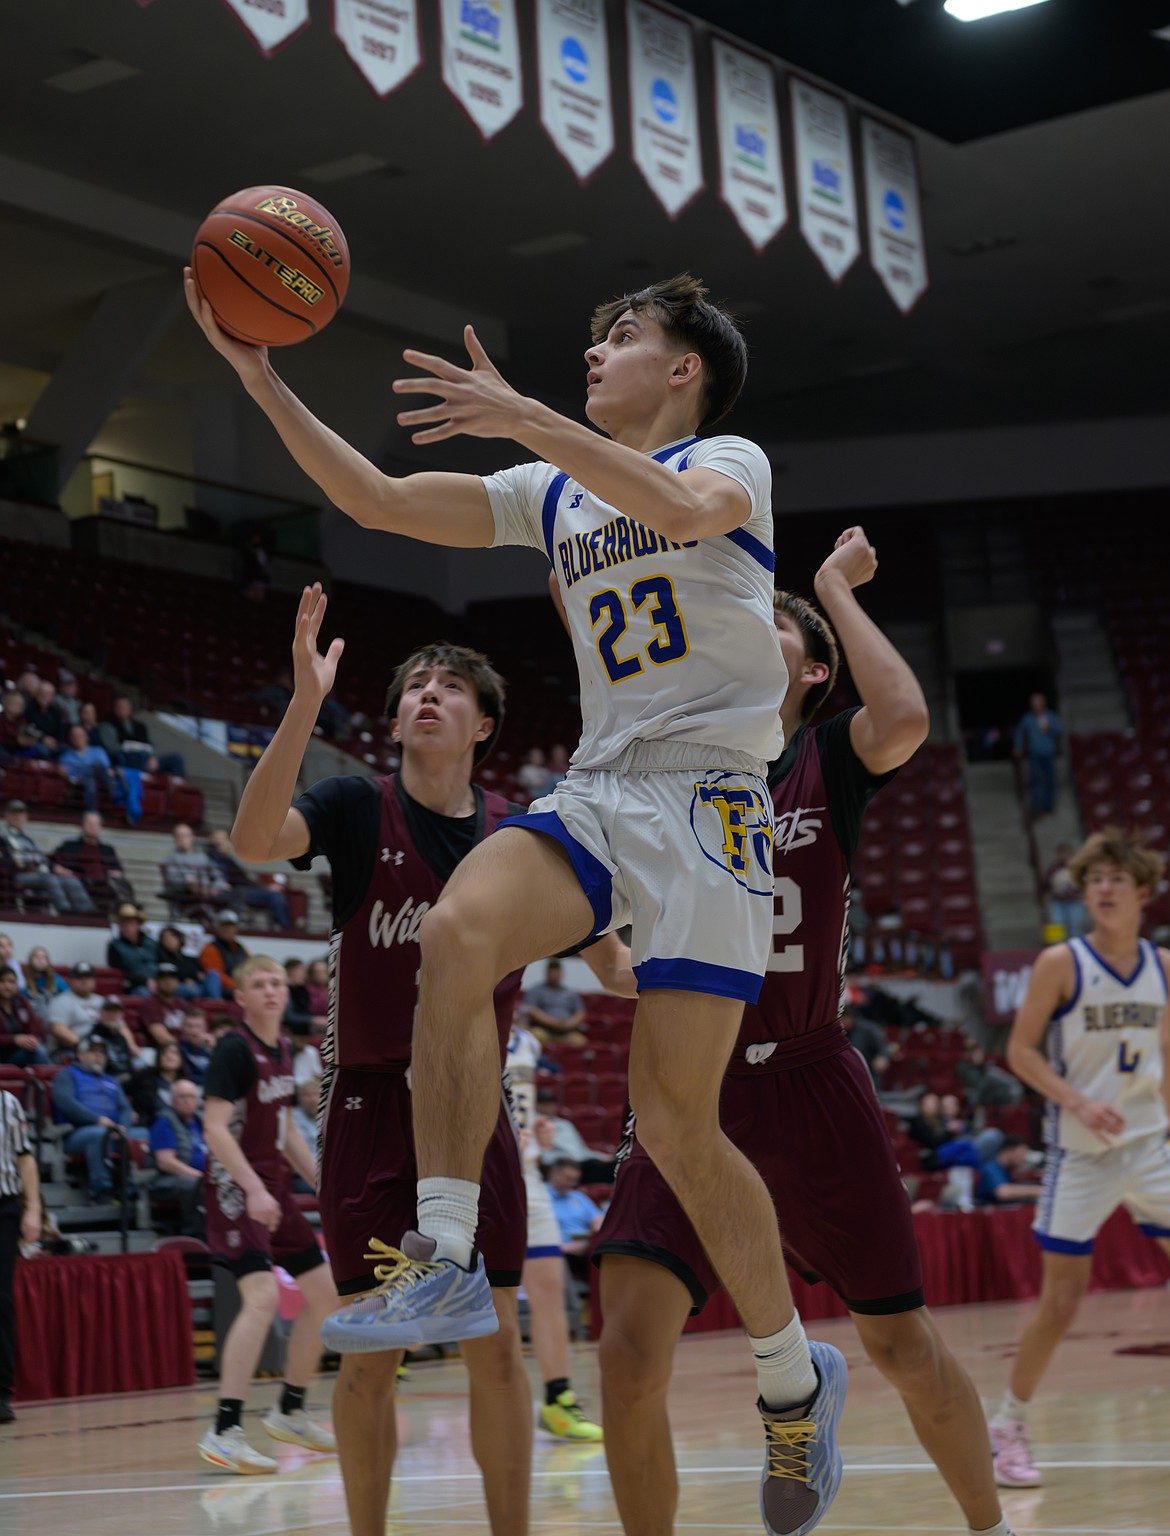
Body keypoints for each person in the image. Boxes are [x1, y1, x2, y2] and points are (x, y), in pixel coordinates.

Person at [191, 263, 852, 1521]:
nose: (595, 355)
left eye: (620, 337)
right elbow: (374, 496)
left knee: (677, 1125)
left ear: (684, 368)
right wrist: (259, 375)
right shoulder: (551, 488)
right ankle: (443, 1253)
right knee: (458, 929)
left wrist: (526, 417)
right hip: (606, 786)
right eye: (594, 340)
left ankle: (789, 1377)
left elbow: (682, 508)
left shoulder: (735, 458)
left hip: (713, 806)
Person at [594, 532, 1017, 1536]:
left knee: (904, 1347)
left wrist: (828, 586)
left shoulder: (826, 757)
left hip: (810, 1078)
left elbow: (906, 715)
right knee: (626, 1355)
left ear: (813, 668)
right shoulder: (671, 773)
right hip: (690, 1086)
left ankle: (990, 1528)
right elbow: (615, 958)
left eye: (777, 624)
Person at [227, 601, 632, 1536]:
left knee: (494, 1350)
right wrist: (303, 705)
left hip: (473, 1114)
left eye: (449, 687)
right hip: (370, 1107)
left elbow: (610, 963)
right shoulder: (353, 804)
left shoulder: (522, 833)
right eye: (415, 685)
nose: (427, 695)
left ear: (483, 723)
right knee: (373, 1358)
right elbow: (253, 842)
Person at [987, 827, 1170, 1490]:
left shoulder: (1162, 967)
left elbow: (1165, 1056)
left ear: (1143, 891)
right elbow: (1021, 1053)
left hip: (1152, 1145)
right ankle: (1006, 1427)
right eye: (1094, 880)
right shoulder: (1061, 964)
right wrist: (1080, 1102)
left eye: (1116, 879)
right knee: (1061, 1303)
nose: (1103, 889)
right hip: (1083, 1154)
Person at [198, 955, 339, 1473]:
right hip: (235, 1187)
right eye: (258, 985)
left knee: (324, 1294)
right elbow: (214, 1129)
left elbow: (285, 1130)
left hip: (272, 1185)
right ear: (240, 997)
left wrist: (321, 1182)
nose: (271, 991)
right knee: (260, 1298)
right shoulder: (233, 1049)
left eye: (277, 982)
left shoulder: (283, 1048)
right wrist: (254, 1188)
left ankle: (291, 1410)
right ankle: (224, 1429)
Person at [507, 1021, 603, 1441]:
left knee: (547, 1290)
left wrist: (537, 1136)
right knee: (493, 1301)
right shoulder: (450, 1019)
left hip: (527, 1177)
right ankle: (502, 1402)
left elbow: (519, 1111)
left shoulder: (526, 1040)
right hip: (473, 1179)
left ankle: (558, 1399)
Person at [0, 1086, 42, 1423]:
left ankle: (1, 1393)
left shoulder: (7, 1102)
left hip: (4, 1207)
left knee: (1, 1300)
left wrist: (34, 1209)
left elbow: (25, 1159)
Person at [50, 1035, 133, 1203]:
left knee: (144, 1135)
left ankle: (133, 1189)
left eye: (102, 1053)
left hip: (114, 1131)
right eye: (93, 1051)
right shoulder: (67, 1075)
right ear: (80, 1054)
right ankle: (102, 1190)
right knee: (99, 1135)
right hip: (76, 1133)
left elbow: (125, 1108)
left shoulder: (111, 1080)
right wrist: (97, 1120)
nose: (99, 1056)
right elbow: (66, 1103)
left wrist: (123, 1126)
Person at [0, 800, 95, 914]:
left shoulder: (28, 839)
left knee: (70, 879)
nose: (17, 817)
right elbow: (13, 861)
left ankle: (89, 912)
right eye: (14, 814)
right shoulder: (3, 838)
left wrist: (54, 867)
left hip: (37, 873)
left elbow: (38, 858)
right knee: (51, 879)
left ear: (25, 817)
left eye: (20, 814)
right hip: (19, 875)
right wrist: (42, 865)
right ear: (7, 816)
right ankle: (66, 912)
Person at [149, 1077, 207, 1238]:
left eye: (192, 1097)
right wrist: (200, 1176)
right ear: (173, 1101)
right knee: (193, 1183)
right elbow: (166, 1162)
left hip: (200, 1178)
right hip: (166, 1180)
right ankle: (196, 1234)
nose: (188, 1101)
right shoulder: (164, 1121)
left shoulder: (200, 1122)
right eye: (183, 1097)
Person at [205, 829, 292, 930]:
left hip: (245, 889)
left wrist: (266, 887)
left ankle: (282, 927)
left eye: (225, 839)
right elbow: (217, 879)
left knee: (277, 895)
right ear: (212, 843)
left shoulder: (230, 860)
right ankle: (286, 929)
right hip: (235, 892)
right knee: (275, 897)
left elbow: (246, 879)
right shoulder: (210, 859)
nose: (223, 843)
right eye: (219, 840)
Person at [51, 811, 135, 914]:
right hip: (79, 882)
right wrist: (59, 869)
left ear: (100, 827)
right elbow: (52, 862)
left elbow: (117, 869)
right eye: (89, 823)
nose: (92, 827)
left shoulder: (108, 850)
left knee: (122, 887)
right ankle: (91, 914)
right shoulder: (69, 846)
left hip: (103, 884)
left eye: (95, 824)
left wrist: (116, 873)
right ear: (82, 825)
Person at [536, 1086, 617, 1184]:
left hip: (581, 1163)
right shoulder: (534, 1124)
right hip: (557, 1164)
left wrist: (601, 1157)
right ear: (537, 1105)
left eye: (551, 1103)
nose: (549, 1107)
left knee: (616, 1166)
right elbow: (541, 1153)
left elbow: (581, 1150)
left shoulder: (565, 1124)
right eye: (544, 1104)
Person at [1013, 692, 1062, 819]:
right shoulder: (1027, 718)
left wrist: (1049, 728)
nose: (1036, 705)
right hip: (1035, 753)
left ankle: (1048, 807)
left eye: (1038, 702)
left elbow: (1060, 730)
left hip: (1049, 753)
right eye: (1034, 703)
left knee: (1050, 780)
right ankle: (1037, 807)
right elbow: (1019, 732)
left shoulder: (1051, 716)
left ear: (1043, 703)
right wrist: (1018, 746)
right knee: (1036, 779)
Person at [163, 823, 228, 912]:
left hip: (208, 894)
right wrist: (188, 882)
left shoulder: (203, 857)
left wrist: (215, 887)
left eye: (186, 835)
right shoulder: (171, 859)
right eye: (180, 836)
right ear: (175, 839)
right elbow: (172, 879)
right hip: (185, 894)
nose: (183, 839)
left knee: (234, 895)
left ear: (192, 837)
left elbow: (218, 877)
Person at [523, 959, 588, 1045]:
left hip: (566, 1031)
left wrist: (568, 1024)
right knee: (533, 1037)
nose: (554, 974)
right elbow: (531, 1010)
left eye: (557, 971)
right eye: (552, 971)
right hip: (544, 1030)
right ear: (546, 972)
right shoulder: (536, 990)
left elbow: (580, 1013)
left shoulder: (570, 993)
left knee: (580, 1042)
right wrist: (553, 1022)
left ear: (561, 973)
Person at [45, 960, 104, 1056]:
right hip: (69, 1050)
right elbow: (58, 1029)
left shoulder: (102, 1001)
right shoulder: (60, 1001)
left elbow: (120, 1026)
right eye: (79, 977)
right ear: (70, 980)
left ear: (94, 980)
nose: (84, 981)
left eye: (88, 977)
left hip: (101, 1050)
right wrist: (86, 1048)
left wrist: (133, 1048)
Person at [58, 724, 118, 812]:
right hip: (81, 782)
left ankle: (113, 797)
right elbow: (71, 777)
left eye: (80, 736)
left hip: (101, 780)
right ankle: (92, 811)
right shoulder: (66, 757)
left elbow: (107, 769)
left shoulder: (98, 751)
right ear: (70, 739)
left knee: (98, 769)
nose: (78, 738)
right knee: (90, 780)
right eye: (74, 736)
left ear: (86, 737)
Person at [107, 903, 161, 995]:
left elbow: (161, 963)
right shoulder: (115, 946)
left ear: (138, 925)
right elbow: (120, 973)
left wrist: (161, 981)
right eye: (123, 924)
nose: (127, 928)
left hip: (160, 982)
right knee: (144, 993)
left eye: (131, 924)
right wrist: (144, 981)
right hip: (135, 986)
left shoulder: (152, 943)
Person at [0, 966, 48, 1066]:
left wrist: (32, 1039)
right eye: (2, 982)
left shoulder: (21, 1002)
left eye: (11, 982)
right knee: (39, 1052)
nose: (7, 986)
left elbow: (35, 1029)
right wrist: (14, 1040)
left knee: (38, 1049)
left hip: (18, 1053)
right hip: (2, 1055)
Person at [129, 1037, 184, 1123]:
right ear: (158, 1058)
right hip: (151, 1124)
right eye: (164, 1053)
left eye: (174, 1053)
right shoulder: (144, 1079)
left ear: (181, 1059)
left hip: (180, 1126)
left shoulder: (186, 1084)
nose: (169, 1056)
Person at [974, 1137, 1041, 1207]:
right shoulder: (990, 1169)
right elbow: (1002, 1192)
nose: (1023, 1158)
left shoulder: (1007, 1171)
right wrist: (1037, 1190)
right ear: (1009, 1151)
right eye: (1022, 1153)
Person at [135, 962, 189, 1048]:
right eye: (164, 978)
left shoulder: (183, 1004)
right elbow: (162, 1038)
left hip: (185, 1050)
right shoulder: (150, 1004)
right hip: (160, 1051)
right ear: (156, 981)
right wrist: (184, 1050)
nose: (168, 981)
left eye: (172, 978)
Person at [158, 924, 216, 1000]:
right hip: (178, 986)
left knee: (213, 974)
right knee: (191, 990)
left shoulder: (187, 958)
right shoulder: (161, 956)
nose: (169, 941)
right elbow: (167, 974)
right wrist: (184, 979)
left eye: (172, 937)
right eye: (166, 938)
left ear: (179, 939)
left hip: (196, 984)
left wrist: (199, 975)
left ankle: (217, 1003)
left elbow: (198, 971)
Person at [199, 910, 249, 997]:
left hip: (240, 988)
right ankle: (218, 1005)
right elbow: (217, 975)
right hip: (223, 990)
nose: (228, 930)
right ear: (217, 928)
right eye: (224, 926)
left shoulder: (241, 949)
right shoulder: (211, 948)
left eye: (231, 926)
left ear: (236, 929)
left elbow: (251, 968)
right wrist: (237, 986)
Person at [1043, 844, 1084, 938]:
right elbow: (1046, 882)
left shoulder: (1077, 868)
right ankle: (1057, 948)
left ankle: (1074, 949)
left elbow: (1084, 882)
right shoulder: (1054, 868)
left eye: (1066, 853)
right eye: (1062, 853)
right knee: (1057, 923)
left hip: (1075, 901)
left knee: (1075, 925)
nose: (1064, 856)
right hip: (1058, 901)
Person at [20, 947, 68, 1021]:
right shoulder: (22, 979)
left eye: (44, 957)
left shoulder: (56, 979)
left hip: (54, 1018)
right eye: (36, 957)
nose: (40, 960)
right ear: (30, 960)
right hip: (32, 1017)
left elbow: (67, 997)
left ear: (48, 961)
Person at [177, 1010, 215, 1086]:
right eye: (189, 1026)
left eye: (198, 1026)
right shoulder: (177, 1048)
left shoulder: (211, 1048)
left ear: (205, 1028)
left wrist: (215, 1050)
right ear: (182, 1027)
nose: (194, 1031)